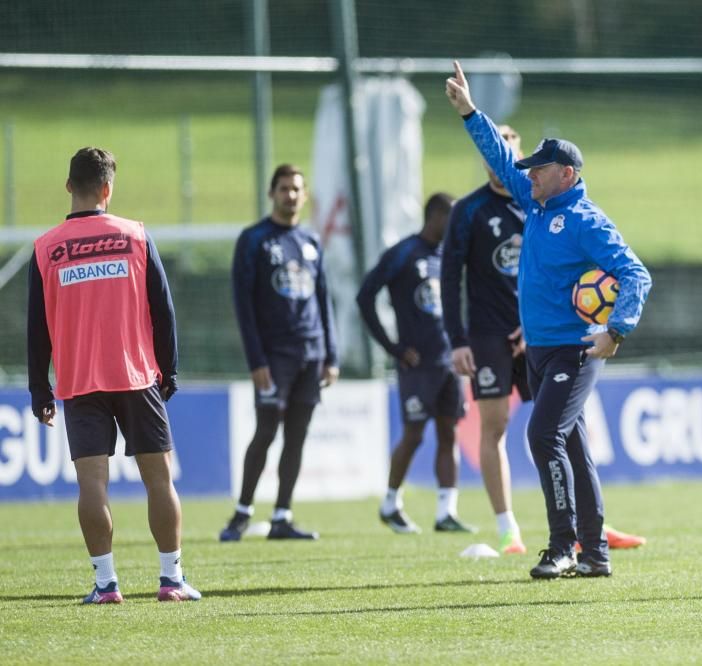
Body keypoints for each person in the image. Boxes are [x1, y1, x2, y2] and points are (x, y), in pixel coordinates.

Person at [446, 61, 652, 579]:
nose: (528, 172)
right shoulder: (536, 205)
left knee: (543, 437)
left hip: (573, 351)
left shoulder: (585, 220)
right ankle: (596, 554)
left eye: (538, 168)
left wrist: (617, 329)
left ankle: (562, 546)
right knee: (574, 449)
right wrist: (471, 113)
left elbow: (636, 274)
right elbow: (498, 155)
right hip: (538, 351)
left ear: (567, 175)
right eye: (530, 168)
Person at [27, 147, 200, 603]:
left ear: (69, 187)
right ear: (108, 189)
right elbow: (163, 311)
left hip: (80, 382)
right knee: (159, 481)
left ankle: (106, 584)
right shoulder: (135, 236)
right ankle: (171, 580)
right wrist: (169, 370)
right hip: (136, 375)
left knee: (92, 485)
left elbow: (36, 326)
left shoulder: (45, 248)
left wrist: (38, 388)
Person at [219, 164, 340, 542]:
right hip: (274, 357)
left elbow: (323, 299)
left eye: (297, 189)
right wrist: (256, 359)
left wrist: (331, 355)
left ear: (304, 196)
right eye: (284, 188)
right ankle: (241, 513)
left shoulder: (310, 241)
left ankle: (283, 517)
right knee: (267, 430)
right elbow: (243, 303)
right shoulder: (254, 240)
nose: (290, 195)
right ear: (272, 193)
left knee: (298, 435)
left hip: (311, 352)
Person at [357, 192, 475, 535]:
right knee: (413, 434)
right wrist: (392, 347)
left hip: (449, 361)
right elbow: (365, 296)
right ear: (435, 216)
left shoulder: (449, 257)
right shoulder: (403, 253)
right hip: (417, 364)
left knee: (448, 433)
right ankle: (391, 503)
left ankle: (445, 512)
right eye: (452, 218)